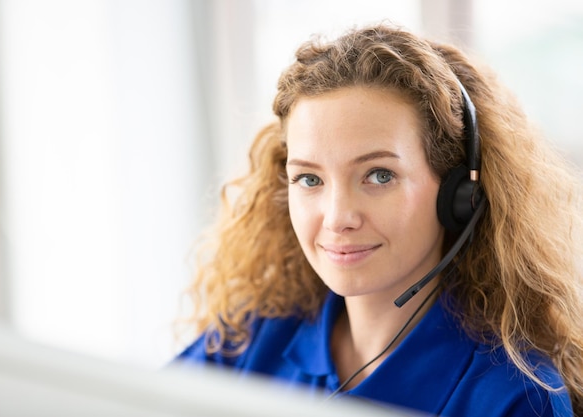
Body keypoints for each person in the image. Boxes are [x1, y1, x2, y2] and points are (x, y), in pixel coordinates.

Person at [174, 23, 583, 416]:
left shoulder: (515, 398)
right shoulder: (249, 341)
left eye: (379, 175)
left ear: (459, 194)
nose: (337, 218)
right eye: (310, 178)